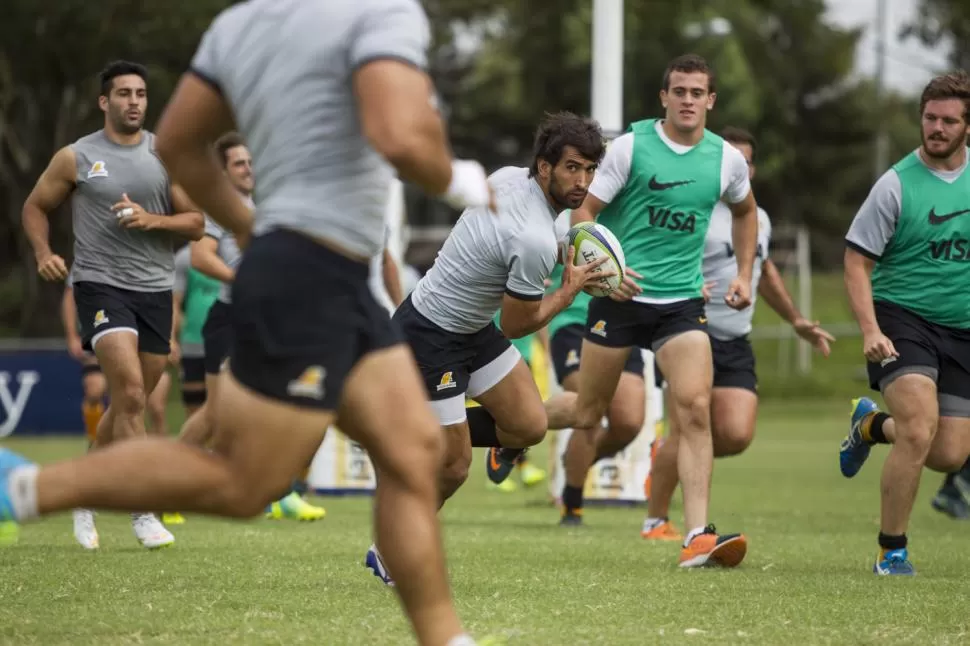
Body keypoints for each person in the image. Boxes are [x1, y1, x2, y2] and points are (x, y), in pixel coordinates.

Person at [1, 2, 494, 644]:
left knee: (412, 449)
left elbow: (176, 142)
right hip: (309, 276)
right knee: (244, 482)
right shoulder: (382, 12)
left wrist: (243, 223)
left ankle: (447, 638)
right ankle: (25, 485)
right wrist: (460, 179)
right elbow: (400, 136)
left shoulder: (239, 23)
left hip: (331, 278)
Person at [366, 112, 610, 586]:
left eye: (589, 170)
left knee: (528, 425)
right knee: (454, 467)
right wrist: (570, 288)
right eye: (572, 168)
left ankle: (407, 430)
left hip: (471, 330)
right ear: (544, 167)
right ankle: (389, 548)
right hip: (429, 333)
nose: (582, 182)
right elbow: (520, 321)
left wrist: (590, 264)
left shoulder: (507, 178)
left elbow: (533, 243)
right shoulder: (532, 238)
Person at [542, 54, 758, 568]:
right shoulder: (630, 149)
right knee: (587, 413)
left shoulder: (726, 159)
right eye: (678, 91)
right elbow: (583, 212)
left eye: (696, 92)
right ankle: (505, 426)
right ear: (664, 97)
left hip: (682, 303)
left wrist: (745, 274)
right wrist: (599, 274)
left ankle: (697, 536)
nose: (687, 100)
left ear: (711, 100)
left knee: (694, 408)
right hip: (620, 299)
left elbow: (746, 213)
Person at [20, 60, 204, 550]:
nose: (134, 102)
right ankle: (143, 510)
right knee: (132, 395)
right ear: (105, 102)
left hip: (155, 290)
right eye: (123, 93)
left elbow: (196, 222)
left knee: (129, 401)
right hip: (100, 286)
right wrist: (44, 253)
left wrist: (151, 220)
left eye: (141, 93)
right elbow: (34, 206)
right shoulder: (76, 157)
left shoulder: (165, 155)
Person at [644, 127, 835, 541]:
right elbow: (660, 254)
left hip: (735, 339)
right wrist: (685, 283)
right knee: (689, 428)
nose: (741, 167)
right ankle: (657, 520)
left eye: (747, 161)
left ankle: (666, 456)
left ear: (753, 167)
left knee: (735, 433)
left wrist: (796, 320)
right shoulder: (694, 207)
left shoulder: (757, 217)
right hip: (688, 331)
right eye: (734, 158)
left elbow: (762, 271)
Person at [839, 71, 970, 575]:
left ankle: (870, 426)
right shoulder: (895, 185)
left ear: (967, 127)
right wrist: (871, 329)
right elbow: (856, 261)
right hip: (903, 318)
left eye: (949, 120)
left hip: (961, 330)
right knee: (918, 428)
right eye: (930, 118)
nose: (937, 128)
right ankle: (891, 550)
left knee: (948, 453)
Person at [184, 131, 325, 522]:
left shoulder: (267, 206)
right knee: (216, 414)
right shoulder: (220, 207)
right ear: (225, 172)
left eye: (250, 161)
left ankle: (279, 491)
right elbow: (199, 257)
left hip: (267, 323)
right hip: (229, 320)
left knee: (283, 403)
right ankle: (166, 488)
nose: (248, 168)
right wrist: (241, 280)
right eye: (239, 163)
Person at [545, 225, 647, 524]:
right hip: (573, 322)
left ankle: (571, 458)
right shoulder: (567, 211)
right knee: (588, 412)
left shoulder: (638, 205)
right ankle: (572, 504)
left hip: (624, 321)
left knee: (628, 422)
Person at [483, 313, 548, 494]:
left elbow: (540, 318)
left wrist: (546, 349)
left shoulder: (533, 290)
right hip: (497, 355)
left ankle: (521, 466)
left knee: (521, 413)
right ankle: (519, 467)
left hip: (522, 355)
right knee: (505, 412)